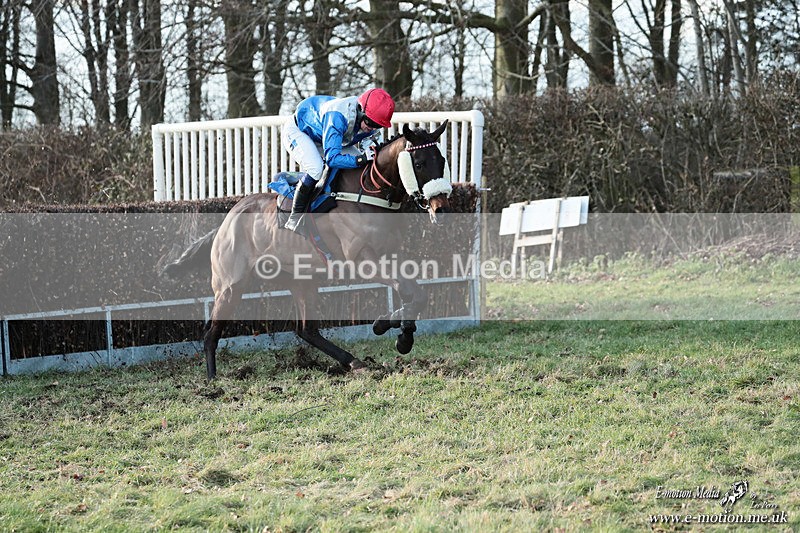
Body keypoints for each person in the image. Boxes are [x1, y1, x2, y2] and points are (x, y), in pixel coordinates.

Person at [281, 88, 395, 232]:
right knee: (316, 169)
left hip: (325, 135)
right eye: (369, 122)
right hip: (299, 132)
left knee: (362, 164)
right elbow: (332, 159)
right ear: (360, 111)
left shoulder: (370, 120)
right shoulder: (337, 117)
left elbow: (372, 151)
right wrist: (360, 159)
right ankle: (294, 218)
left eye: (377, 125)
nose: (371, 128)